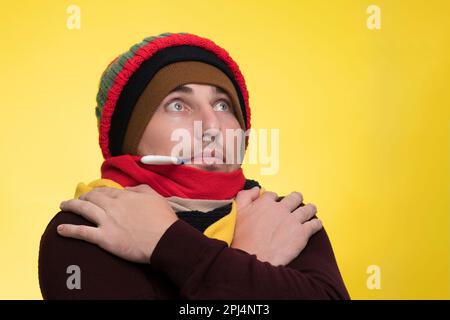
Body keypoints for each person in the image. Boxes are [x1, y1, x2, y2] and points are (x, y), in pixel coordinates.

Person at [38, 32, 350, 299]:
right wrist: (248, 259)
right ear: (130, 133)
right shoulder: (89, 223)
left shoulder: (283, 216)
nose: (211, 125)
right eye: (177, 105)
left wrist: (165, 241)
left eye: (222, 105)